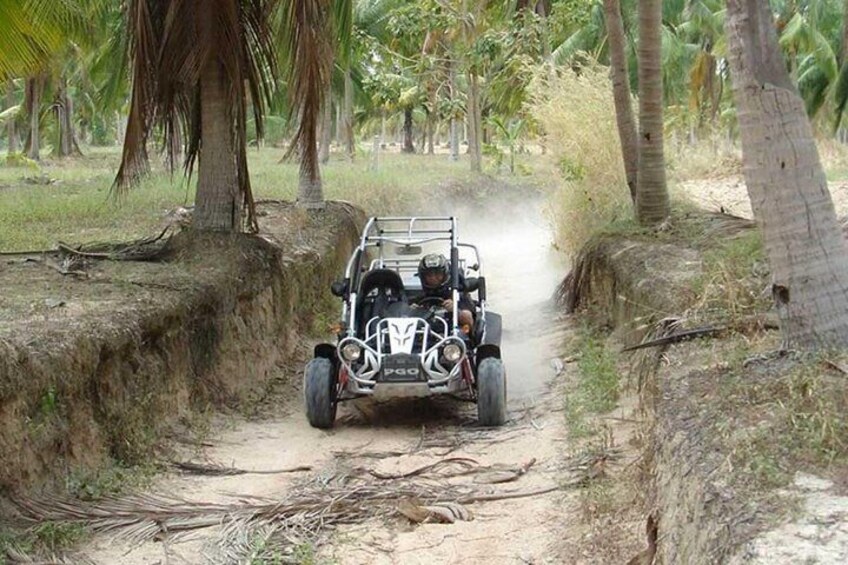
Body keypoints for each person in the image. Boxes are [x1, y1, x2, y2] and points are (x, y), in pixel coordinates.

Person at [413, 253, 475, 335]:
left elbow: (470, 321)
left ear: (444, 274)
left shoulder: (457, 295)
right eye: (429, 275)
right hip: (423, 339)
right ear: (423, 277)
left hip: (452, 339)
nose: (433, 278)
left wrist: (456, 310)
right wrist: (411, 312)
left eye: (437, 274)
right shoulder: (419, 298)